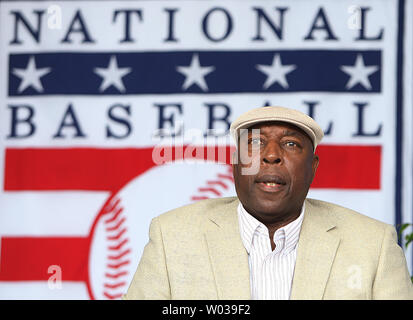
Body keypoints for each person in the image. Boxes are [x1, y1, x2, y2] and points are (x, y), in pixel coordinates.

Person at [123, 106, 413, 300]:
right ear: (236, 163)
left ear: (312, 167)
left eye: (290, 144)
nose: (271, 155)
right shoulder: (172, 236)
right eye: (255, 142)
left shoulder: (373, 245)